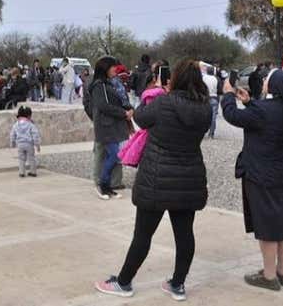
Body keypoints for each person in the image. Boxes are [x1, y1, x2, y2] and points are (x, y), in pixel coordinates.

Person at [95, 59, 212, 301]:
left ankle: (124, 282)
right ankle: (177, 285)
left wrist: (158, 88)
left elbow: (139, 117)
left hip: (157, 177)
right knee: (185, 235)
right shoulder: (204, 108)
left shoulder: (163, 102)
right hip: (188, 177)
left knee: (143, 235)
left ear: (174, 79)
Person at [221, 69, 283, 292]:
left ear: (274, 86)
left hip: (261, 175)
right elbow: (265, 119)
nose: (263, 81)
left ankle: (269, 276)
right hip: (281, 174)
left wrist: (228, 95)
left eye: (266, 79)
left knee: (266, 226)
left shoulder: (263, 111)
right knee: (281, 223)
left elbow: (233, 116)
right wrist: (250, 102)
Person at [87, 56, 133, 200]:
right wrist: (123, 113)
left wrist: (127, 109)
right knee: (113, 155)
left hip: (111, 126)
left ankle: (106, 186)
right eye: (113, 67)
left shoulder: (106, 84)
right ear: (105, 68)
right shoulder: (99, 86)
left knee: (113, 155)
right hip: (106, 127)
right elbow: (104, 106)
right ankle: (102, 184)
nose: (115, 69)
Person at [10, 105, 41, 177]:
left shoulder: (16, 125)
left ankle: (21, 172)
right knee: (31, 158)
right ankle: (33, 172)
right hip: (29, 144)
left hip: (20, 144)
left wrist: (12, 143)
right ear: (29, 116)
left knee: (21, 159)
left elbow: (12, 134)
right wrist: (37, 145)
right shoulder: (31, 125)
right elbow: (35, 135)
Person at [202, 64, 219, 139]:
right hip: (214, 97)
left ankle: (202, 132)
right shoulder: (216, 79)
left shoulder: (204, 78)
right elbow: (219, 89)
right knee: (213, 117)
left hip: (205, 98)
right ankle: (211, 134)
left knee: (202, 116)